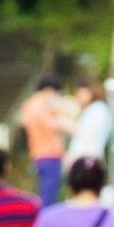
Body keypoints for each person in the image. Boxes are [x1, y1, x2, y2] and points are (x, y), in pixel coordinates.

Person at [21, 76, 66, 207]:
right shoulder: (40, 107)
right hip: (49, 154)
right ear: (48, 90)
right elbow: (53, 125)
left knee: (46, 193)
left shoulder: (28, 106)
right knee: (49, 196)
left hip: (39, 153)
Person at [64, 79, 113, 169]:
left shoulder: (98, 109)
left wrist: (70, 126)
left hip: (87, 160)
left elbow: (90, 135)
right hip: (86, 159)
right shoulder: (95, 109)